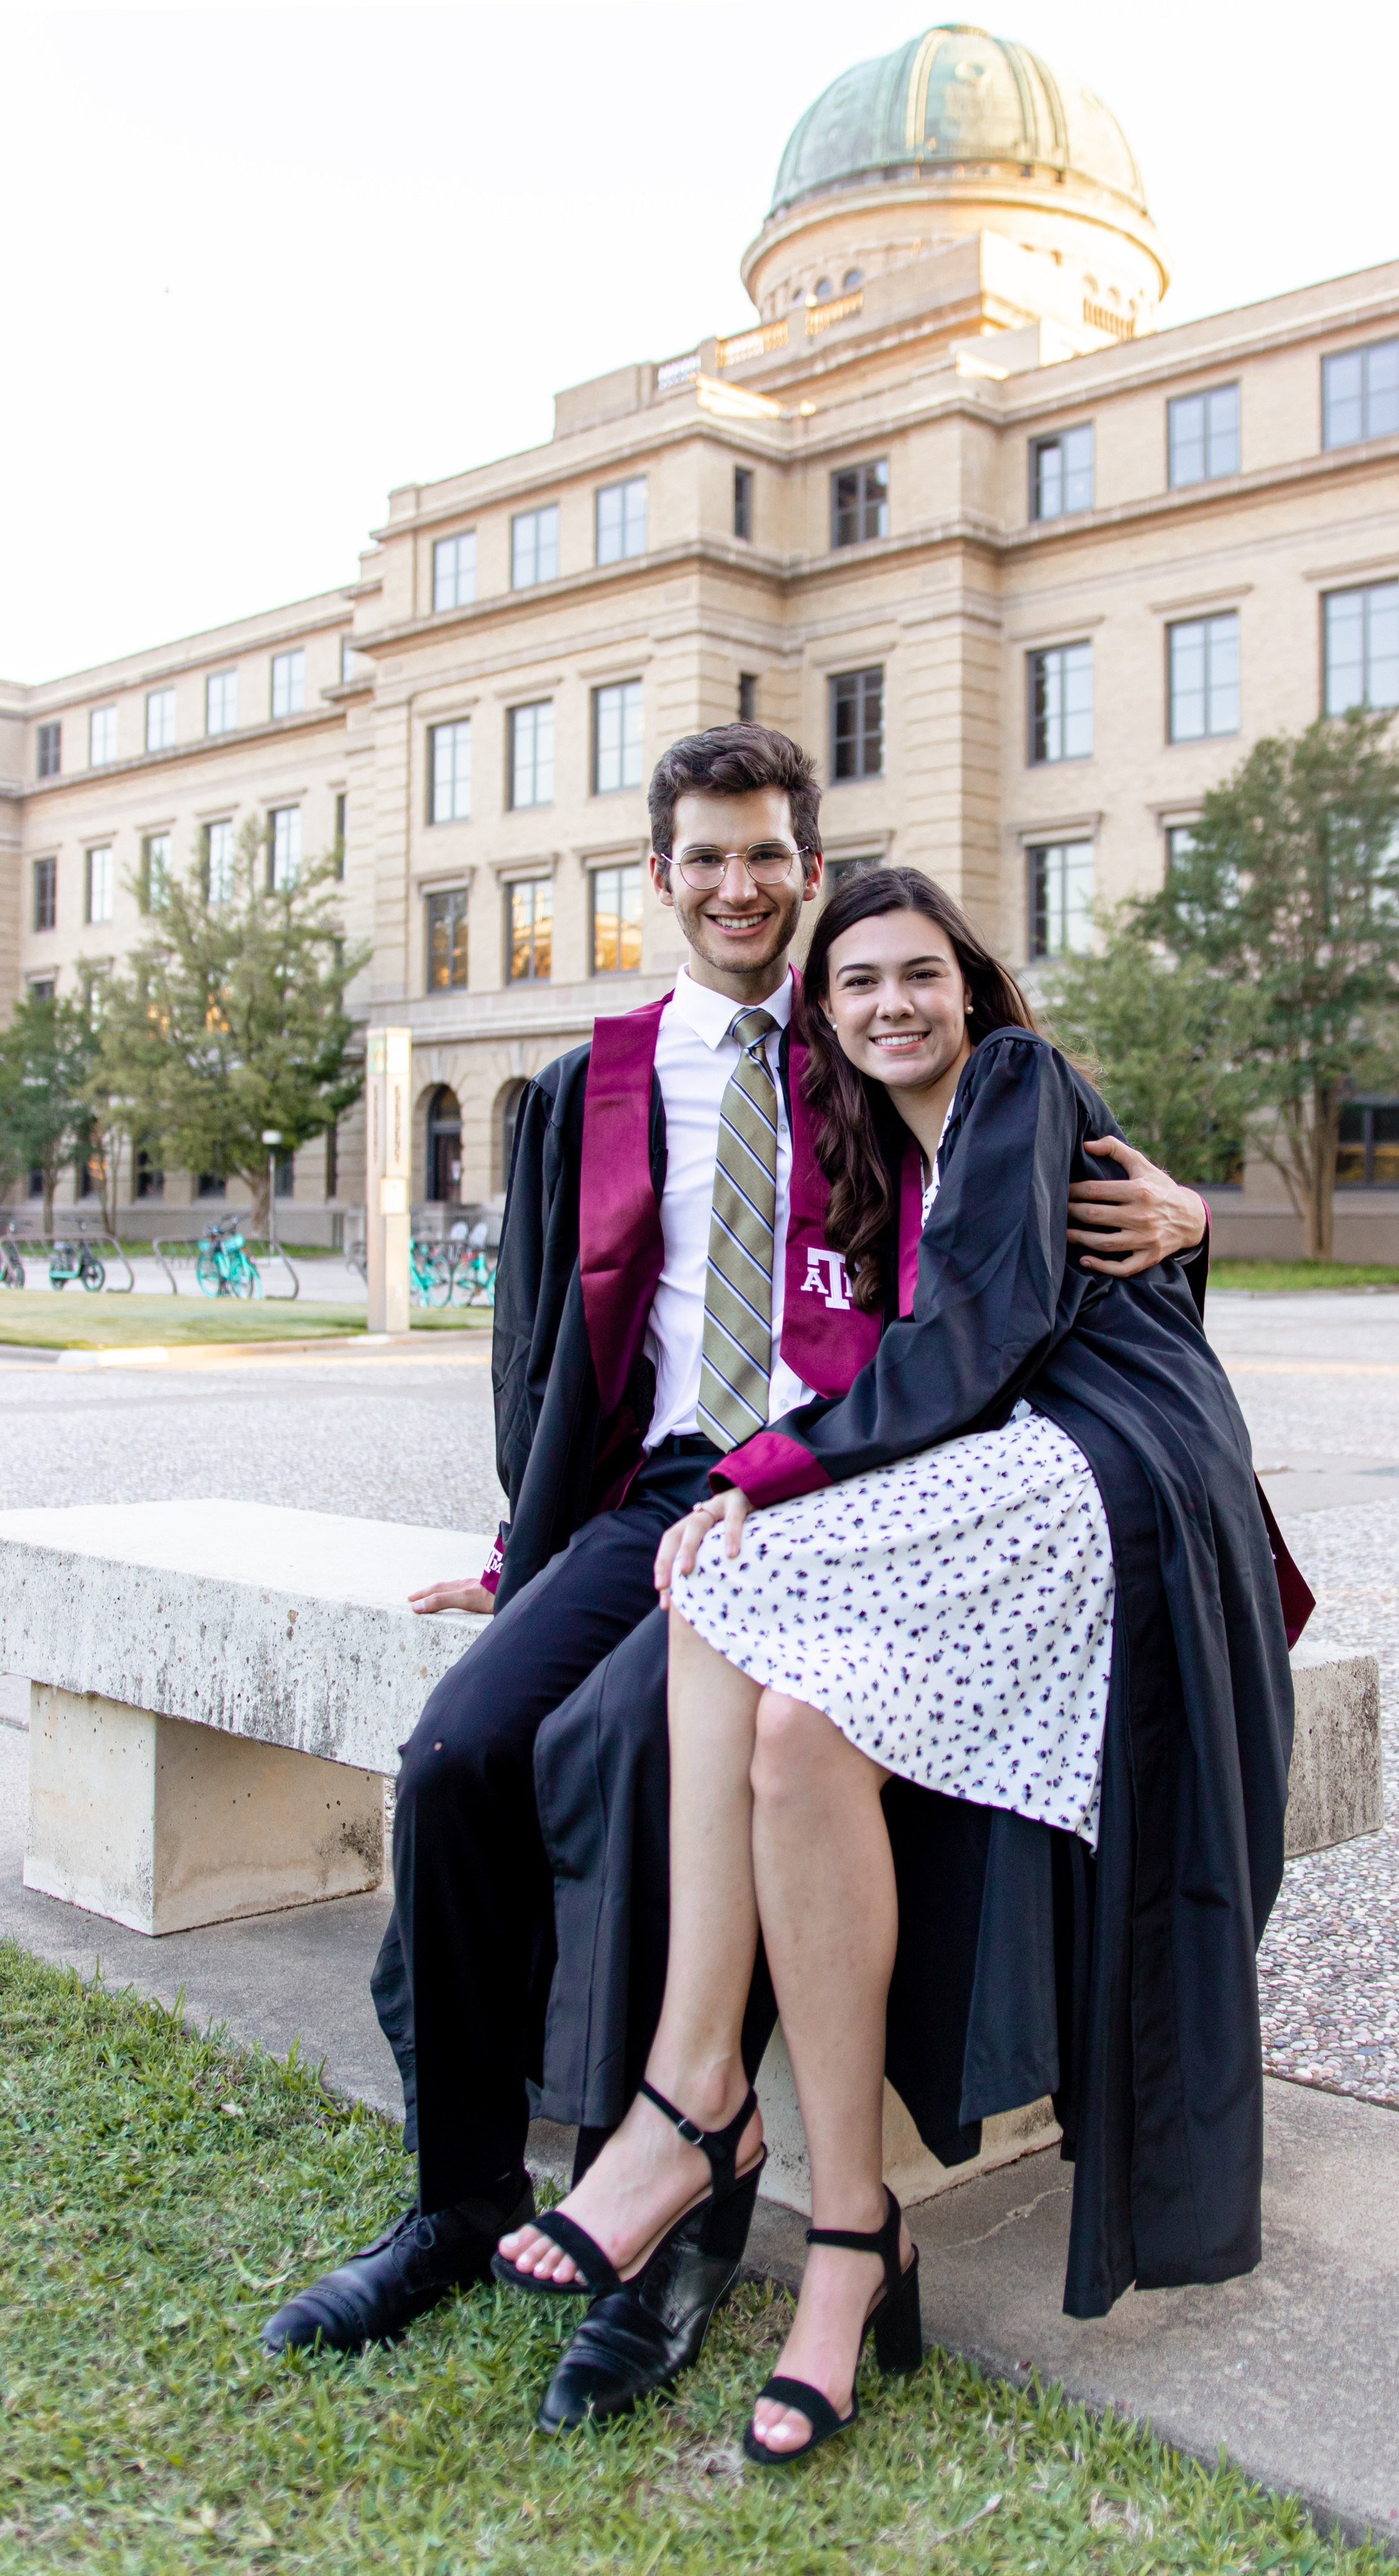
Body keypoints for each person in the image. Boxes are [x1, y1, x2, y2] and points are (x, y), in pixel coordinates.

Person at [263, 727, 1210, 2422]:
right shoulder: (600, 1083)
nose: (737, 885)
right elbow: (543, 1350)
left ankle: (682, 2221)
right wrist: (521, 1549)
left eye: (767, 854)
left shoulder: (872, 1034)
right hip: (656, 1497)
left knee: (635, 1755)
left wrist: (1191, 1215)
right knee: (461, 1754)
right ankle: (458, 2191)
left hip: (843, 1489)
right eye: (704, 857)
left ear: (808, 863)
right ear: (658, 877)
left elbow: (1042, 1210)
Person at [493, 865, 1310, 2463]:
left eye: (916, 973)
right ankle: (850, 2242)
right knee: (796, 1732)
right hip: (1038, 1458)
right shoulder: (892, 1143)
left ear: (971, 982)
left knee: (734, 1561)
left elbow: (986, 1335)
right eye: (853, 982)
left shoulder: (1010, 1079)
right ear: (825, 1009)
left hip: (1115, 1466)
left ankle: (687, 2099)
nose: (887, 1004)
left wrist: (755, 1469)